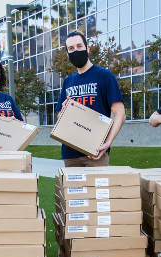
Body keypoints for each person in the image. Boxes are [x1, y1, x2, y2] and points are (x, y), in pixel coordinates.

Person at [55, 30, 126, 167]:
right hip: (70, 154)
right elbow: (59, 117)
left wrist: (108, 142)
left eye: (79, 46)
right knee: (72, 189)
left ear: (87, 48)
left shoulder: (104, 76)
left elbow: (120, 114)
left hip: (95, 152)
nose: (75, 51)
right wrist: (64, 112)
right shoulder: (68, 82)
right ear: (67, 53)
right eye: (71, 48)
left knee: (98, 189)